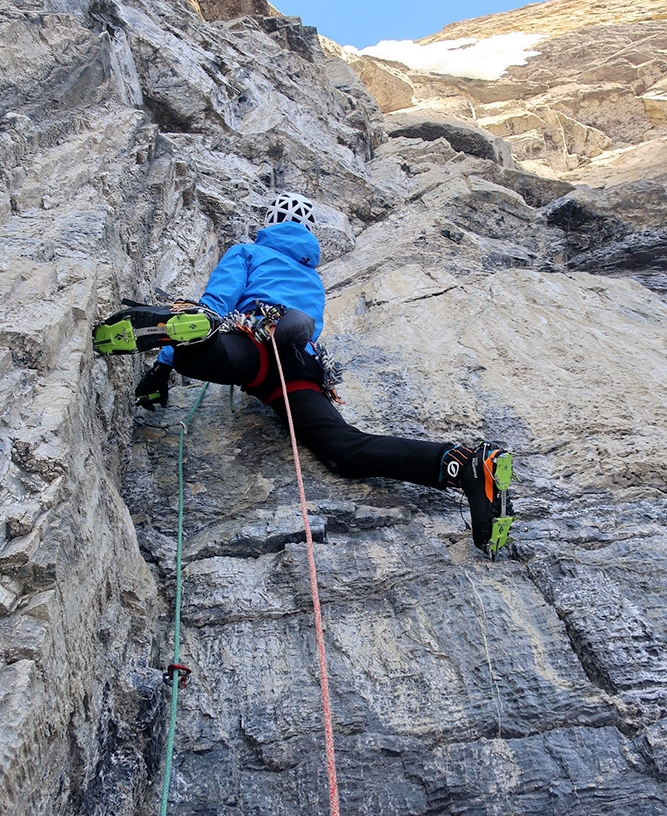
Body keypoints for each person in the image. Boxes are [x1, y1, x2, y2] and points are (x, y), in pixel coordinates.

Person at [93, 192, 515, 558]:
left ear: (269, 223)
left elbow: (219, 300)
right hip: (302, 364)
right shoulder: (313, 280)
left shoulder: (248, 252)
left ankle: (184, 331)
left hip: (255, 343)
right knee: (344, 450)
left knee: (201, 349)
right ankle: (462, 465)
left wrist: (164, 367)